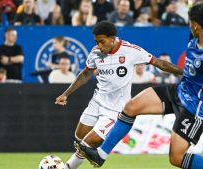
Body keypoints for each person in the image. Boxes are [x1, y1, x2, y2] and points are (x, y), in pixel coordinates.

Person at [76, 3, 203, 169]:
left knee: (176, 158)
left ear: (196, 25)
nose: (189, 25)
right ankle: (101, 155)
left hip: (194, 108)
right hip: (179, 91)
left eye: (190, 22)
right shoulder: (196, 39)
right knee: (131, 107)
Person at [54, 21, 183, 169]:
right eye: (97, 42)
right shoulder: (95, 53)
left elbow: (159, 63)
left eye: (102, 42)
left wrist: (184, 73)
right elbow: (85, 74)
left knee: (86, 144)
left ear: (112, 38)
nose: (99, 46)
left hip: (114, 110)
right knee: (79, 139)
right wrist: (66, 94)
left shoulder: (131, 51)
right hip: (96, 102)